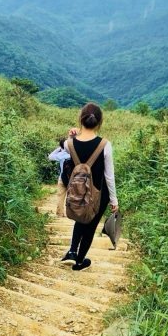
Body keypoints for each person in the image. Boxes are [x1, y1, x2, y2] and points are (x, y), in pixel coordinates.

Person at [60, 102, 119, 271]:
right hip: (99, 193)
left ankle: (72, 251)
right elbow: (109, 176)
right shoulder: (105, 145)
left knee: (80, 219)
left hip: (78, 190)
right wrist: (114, 200)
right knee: (90, 226)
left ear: (81, 119)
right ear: (99, 122)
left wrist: (72, 134)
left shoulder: (69, 144)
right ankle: (79, 261)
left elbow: (63, 146)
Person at [48, 137, 70, 217]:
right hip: (74, 179)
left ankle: (60, 213)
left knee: (60, 196)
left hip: (62, 177)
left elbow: (50, 157)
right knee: (72, 196)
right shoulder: (73, 154)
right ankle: (71, 214)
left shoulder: (61, 155)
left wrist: (59, 148)